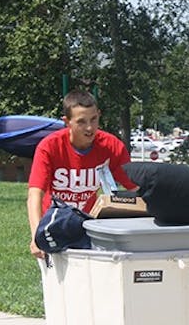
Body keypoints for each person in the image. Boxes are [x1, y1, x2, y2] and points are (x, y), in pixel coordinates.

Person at [27, 89, 136, 260]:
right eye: (81, 122)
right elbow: (35, 194)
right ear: (67, 122)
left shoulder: (111, 146)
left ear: (99, 114)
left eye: (94, 119)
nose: (90, 128)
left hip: (89, 224)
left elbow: (135, 186)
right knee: (58, 282)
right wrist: (36, 235)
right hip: (55, 225)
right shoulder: (49, 147)